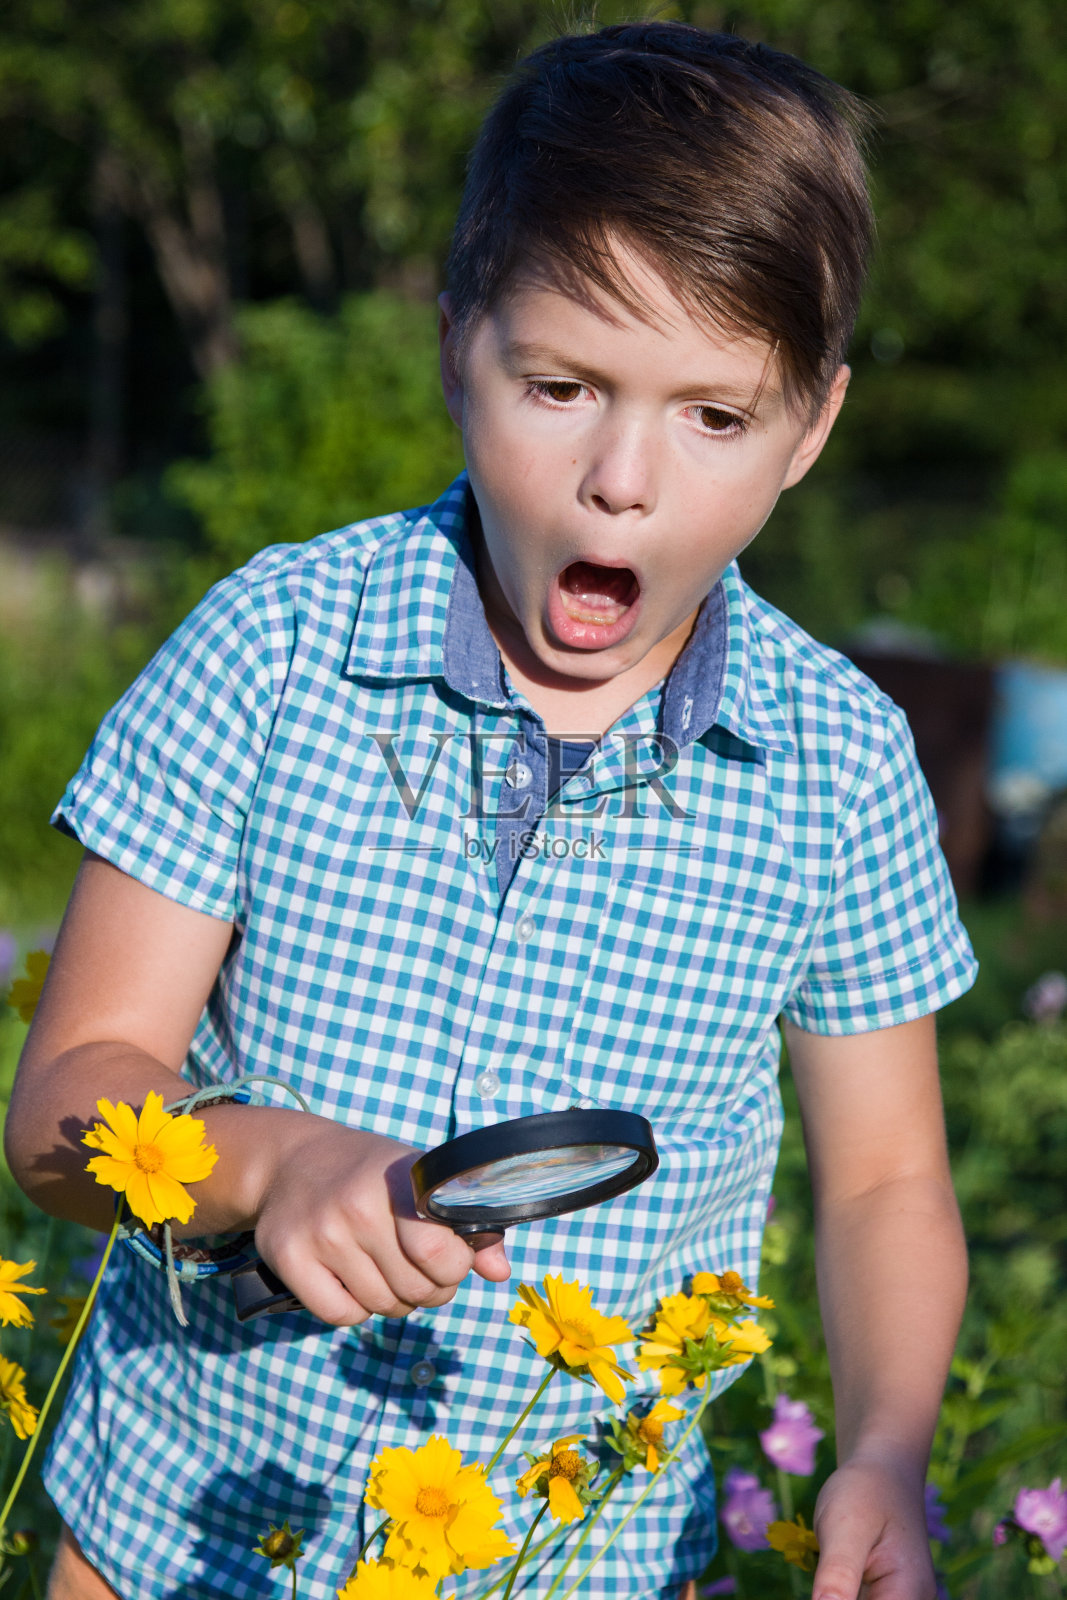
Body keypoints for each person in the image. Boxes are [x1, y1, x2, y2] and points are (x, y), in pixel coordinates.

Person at [6, 22, 975, 1600]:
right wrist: (270, 1164)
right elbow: (64, 1106)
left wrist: (880, 1451)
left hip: (572, 1559)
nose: (621, 480)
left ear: (812, 428)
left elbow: (884, 1183)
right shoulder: (277, 646)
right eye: (562, 384)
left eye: (712, 416)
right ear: (457, 342)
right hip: (181, 1532)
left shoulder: (844, 769)